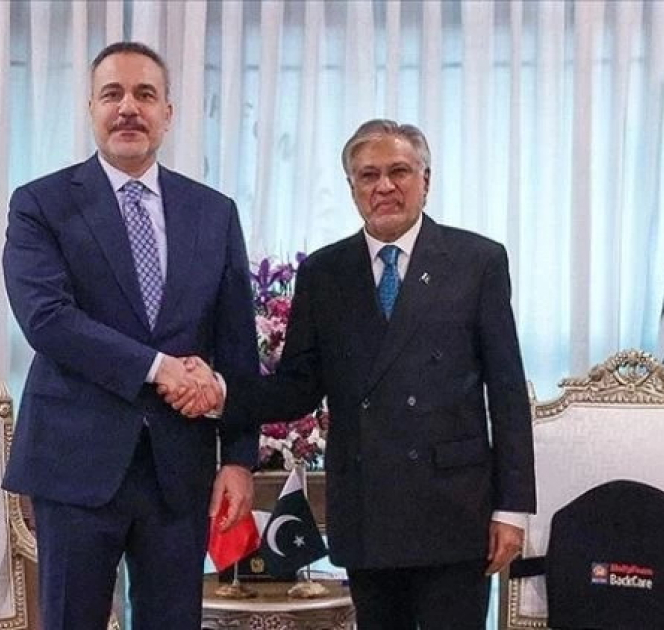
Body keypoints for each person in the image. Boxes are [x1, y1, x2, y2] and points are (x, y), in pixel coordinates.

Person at [171, 119, 536, 629]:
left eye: (399, 172)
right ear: (352, 188)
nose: (384, 186)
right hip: (368, 508)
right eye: (368, 175)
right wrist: (221, 393)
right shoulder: (325, 272)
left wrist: (512, 509)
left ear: (426, 180)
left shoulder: (477, 261)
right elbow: (297, 387)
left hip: (454, 510)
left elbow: (507, 391)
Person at [1, 41, 259, 630]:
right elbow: (46, 318)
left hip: (179, 470)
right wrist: (159, 367)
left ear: (168, 112)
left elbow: (237, 345)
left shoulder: (214, 212)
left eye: (145, 94)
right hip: (75, 464)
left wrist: (240, 459)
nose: (128, 108)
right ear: (91, 108)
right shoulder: (40, 204)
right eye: (112, 94)